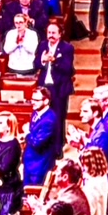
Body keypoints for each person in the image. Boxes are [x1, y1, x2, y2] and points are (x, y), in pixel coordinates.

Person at [34, 21, 75, 156]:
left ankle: (57, 150)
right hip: (44, 88)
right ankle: (44, 147)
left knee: (58, 118)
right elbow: (36, 64)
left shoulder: (67, 48)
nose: (50, 35)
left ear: (60, 34)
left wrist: (54, 61)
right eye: (49, 32)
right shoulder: (42, 45)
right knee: (43, 117)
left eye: (53, 33)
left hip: (59, 89)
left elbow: (69, 69)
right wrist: (43, 60)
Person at [68, 98, 108, 192]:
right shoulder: (98, 128)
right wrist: (82, 139)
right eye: (81, 111)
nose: (81, 115)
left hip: (100, 185)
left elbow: (94, 161)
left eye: (85, 111)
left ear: (95, 113)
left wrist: (80, 146)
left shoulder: (102, 133)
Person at [22, 87, 58, 186]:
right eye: (32, 99)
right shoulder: (35, 113)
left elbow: (37, 143)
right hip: (30, 163)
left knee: (35, 192)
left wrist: (27, 133)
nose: (33, 102)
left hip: (39, 166)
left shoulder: (49, 119)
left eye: (36, 100)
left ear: (46, 101)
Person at [79, 147, 108, 215]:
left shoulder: (92, 185)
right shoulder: (102, 177)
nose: (83, 168)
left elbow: (89, 211)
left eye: (85, 164)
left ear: (92, 165)